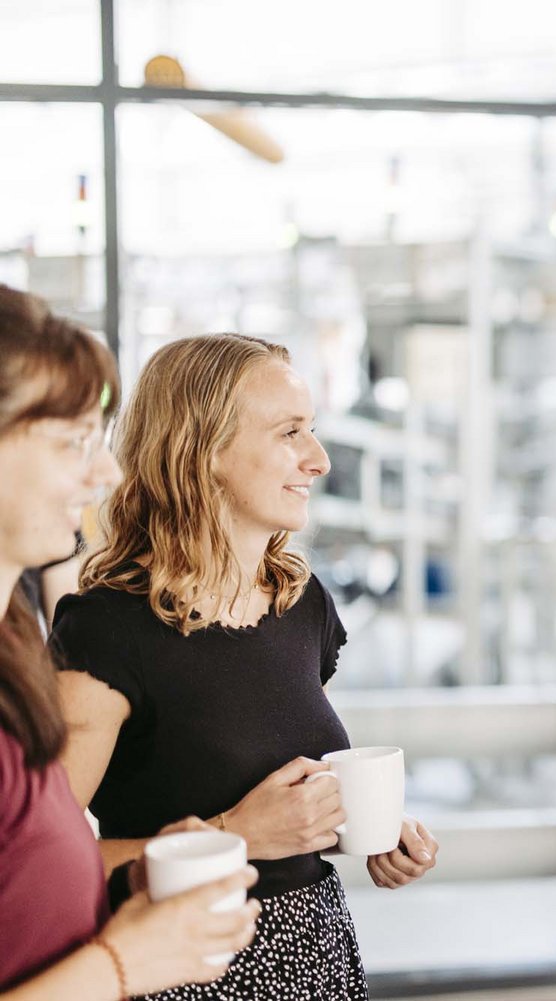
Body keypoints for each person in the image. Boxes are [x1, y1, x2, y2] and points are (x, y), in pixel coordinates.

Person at [50, 333, 439, 1001]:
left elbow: (278, 773)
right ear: (202, 451)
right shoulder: (109, 629)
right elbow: (42, 867)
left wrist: (365, 828)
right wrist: (236, 834)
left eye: (311, 431)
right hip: (185, 972)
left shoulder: (301, 603)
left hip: (320, 958)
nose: (317, 460)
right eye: (290, 432)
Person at [0, 285, 260, 998]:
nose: (106, 471)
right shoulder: (99, 626)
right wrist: (128, 962)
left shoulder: (17, 644)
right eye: (71, 440)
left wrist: (134, 871)